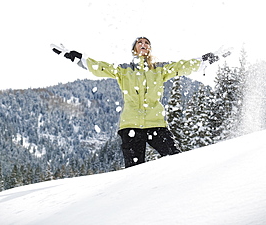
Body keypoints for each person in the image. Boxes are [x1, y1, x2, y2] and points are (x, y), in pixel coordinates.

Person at [51, 38, 230, 168]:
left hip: (156, 125)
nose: (143, 45)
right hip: (130, 127)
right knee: (134, 171)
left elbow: (182, 66)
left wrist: (208, 58)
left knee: (176, 161)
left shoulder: (159, 69)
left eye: (147, 43)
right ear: (134, 50)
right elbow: (99, 67)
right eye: (140, 43)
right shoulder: (123, 70)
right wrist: (75, 57)